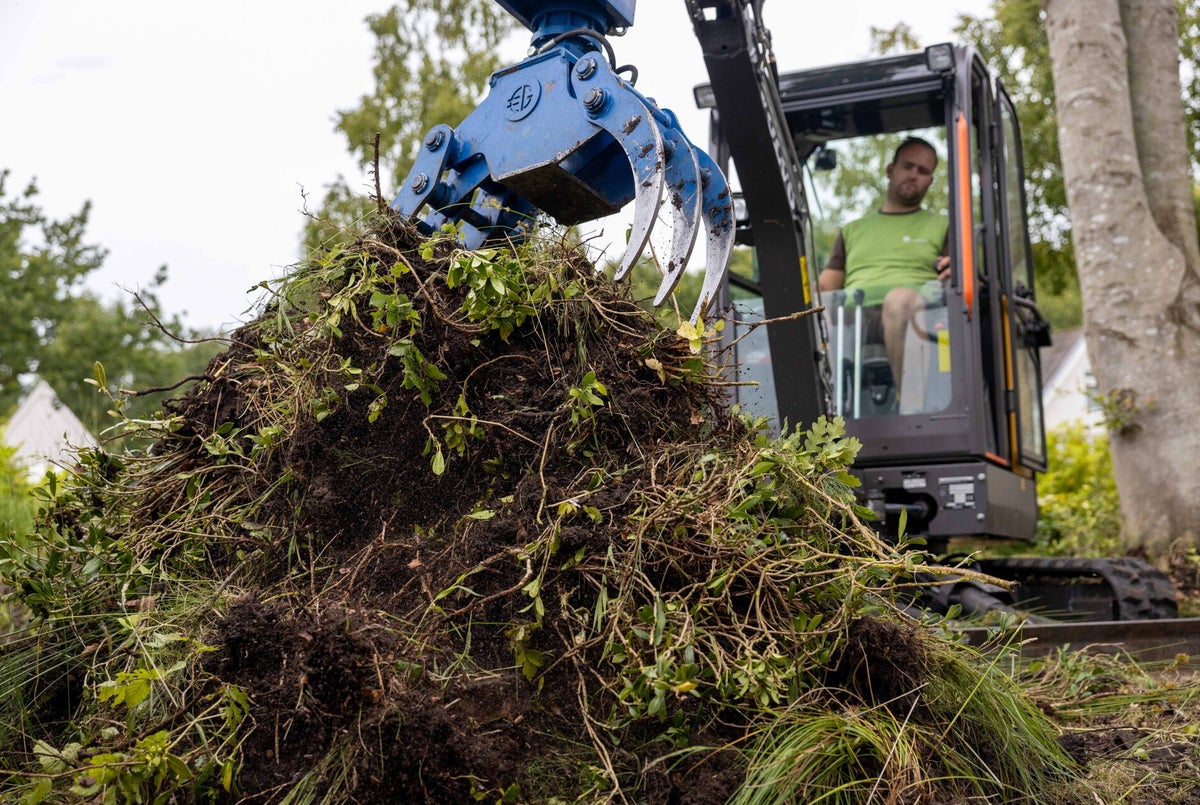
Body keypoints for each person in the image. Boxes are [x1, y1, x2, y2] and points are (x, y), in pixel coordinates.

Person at [818, 136, 950, 404]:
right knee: (815, 307)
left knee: (898, 300)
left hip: (917, 315)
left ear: (930, 181)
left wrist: (952, 273)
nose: (914, 175)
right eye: (907, 166)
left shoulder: (943, 225)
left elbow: (961, 280)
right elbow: (825, 287)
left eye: (923, 171)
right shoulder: (852, 230)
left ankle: (912, 409)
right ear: (890, 170)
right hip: (854, 319)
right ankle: (822, 406)